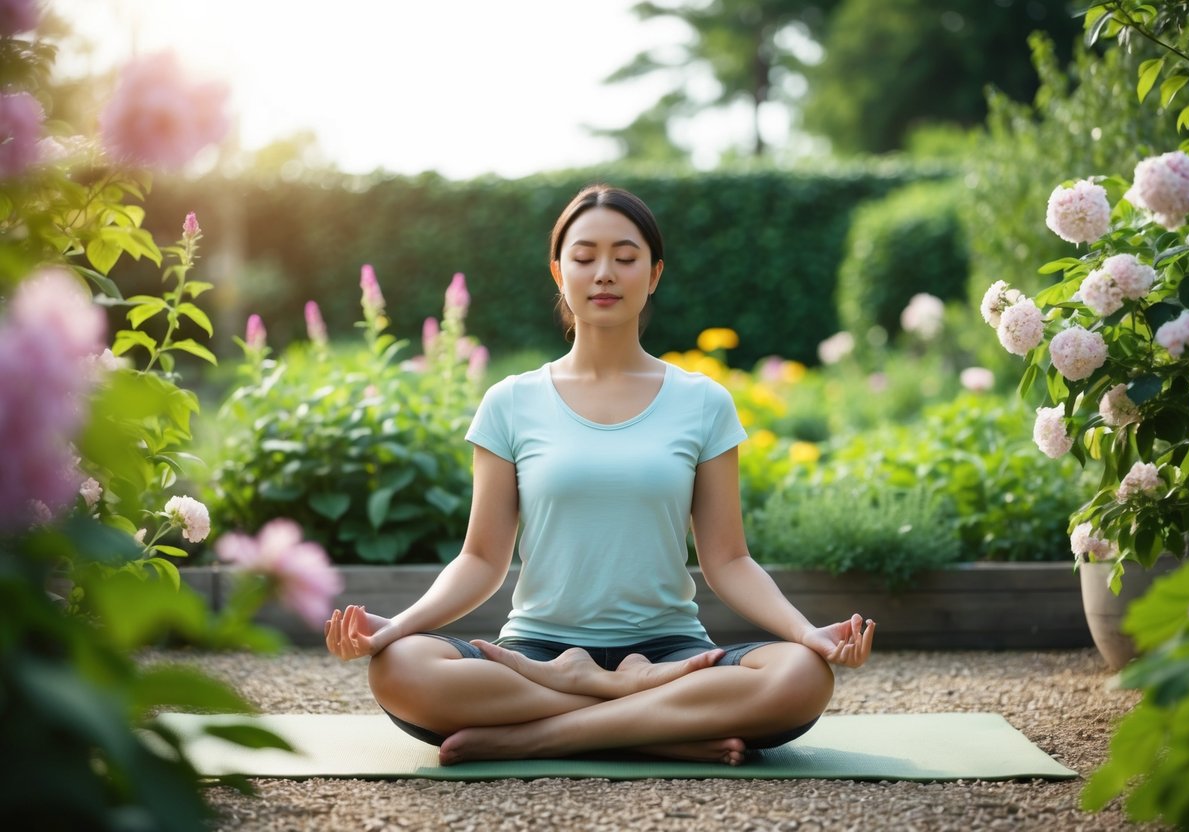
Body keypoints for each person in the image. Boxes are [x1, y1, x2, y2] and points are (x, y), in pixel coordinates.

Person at [325, 184, 875, 766]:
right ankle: (650, 723)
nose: (605, 273)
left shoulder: (703, 402)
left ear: (654, 273)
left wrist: (806, 632)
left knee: (800, 677)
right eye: (584, 258)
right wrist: (398, 627)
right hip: (537, 656)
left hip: (669, 655)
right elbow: (482, 560)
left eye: (626, 256)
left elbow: (729, 561)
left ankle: (537, 736)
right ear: (559, 272)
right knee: (401, 667)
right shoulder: (511, 402)